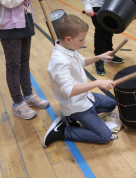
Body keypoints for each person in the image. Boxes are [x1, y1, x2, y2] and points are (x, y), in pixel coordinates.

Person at [43, 15, 117, 147]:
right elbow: (69, 91)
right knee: (104, 136)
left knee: (111, 104)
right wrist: (97, 83)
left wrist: (100, 56)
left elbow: (81, 60)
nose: (84, 42)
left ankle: (73, 119)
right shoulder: (59, 61)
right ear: (69, 39)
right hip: (75, 104)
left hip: (85, 97)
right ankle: (64, 131)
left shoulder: (68, 47)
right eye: (81, 40)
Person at [0, 0, 49, 120]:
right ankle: (18, 102)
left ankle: (28, 95)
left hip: (26, 20)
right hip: (9, 26)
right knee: (14, 64)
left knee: (25, 62)